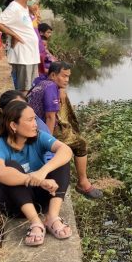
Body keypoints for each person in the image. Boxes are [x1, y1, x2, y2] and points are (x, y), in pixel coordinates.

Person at [0, 101, 73, 246]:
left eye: (35, 119)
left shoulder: (38, 137)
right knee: (11, 167)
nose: (35, 124)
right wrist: (38, 180)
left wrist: (42, 172)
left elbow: (66, 150)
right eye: (30, 120)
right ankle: (35, 223)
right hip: (14, 205)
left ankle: (52, 217)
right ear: (13, 125)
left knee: (61, 160)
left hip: (41, 199)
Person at [27, 62, 103, 199]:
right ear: (53, 75)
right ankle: (83, 183)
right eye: (64, 76)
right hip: (37, 130)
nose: (67, 80)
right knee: (80, 144)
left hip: (31, 125)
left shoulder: (41, 82)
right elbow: (50, 117)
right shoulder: (51, 87)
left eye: (68, 77)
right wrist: (46, 143)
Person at [0, 0, 43, 94]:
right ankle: (22, 110)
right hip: (23, 56)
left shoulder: (23, 7)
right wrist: (14, 35)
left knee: (31, 87)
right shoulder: (14, 7)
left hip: (30, 54)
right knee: (24, 89)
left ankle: (29, 110)